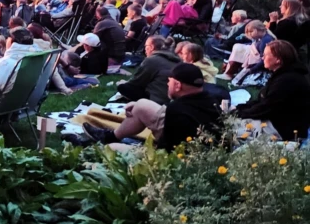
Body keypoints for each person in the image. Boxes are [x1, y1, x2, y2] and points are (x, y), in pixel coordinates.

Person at [85, 63, 221, 152]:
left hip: (182, 159)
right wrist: (138, 105)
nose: (168, 85)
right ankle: (111, 136)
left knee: (111, 149)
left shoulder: (177, 111)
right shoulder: (210, 100)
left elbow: (166, 149)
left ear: (178, 85)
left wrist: (140, 148)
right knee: (142, 104)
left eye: (169, 82)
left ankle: (100, 146)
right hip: (204, 146)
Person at [233, 40, 310, 141]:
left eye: (265, 55)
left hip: (284, 130)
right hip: (277, 121)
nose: (262, 57)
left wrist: (239, 113)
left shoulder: (287, 80)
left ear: (278, 59)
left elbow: (267, 108)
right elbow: (264, 101)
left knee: (231, 128)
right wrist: (240, 108)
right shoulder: (283, 75)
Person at [115, 36, 181, 104]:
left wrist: (123, 83)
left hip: (156, 100)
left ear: (151, 47)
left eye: (146, 46)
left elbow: (136, 82)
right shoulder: (178, 61)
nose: (145, 49)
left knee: (123, 87)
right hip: (174, 101)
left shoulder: (152, 60)